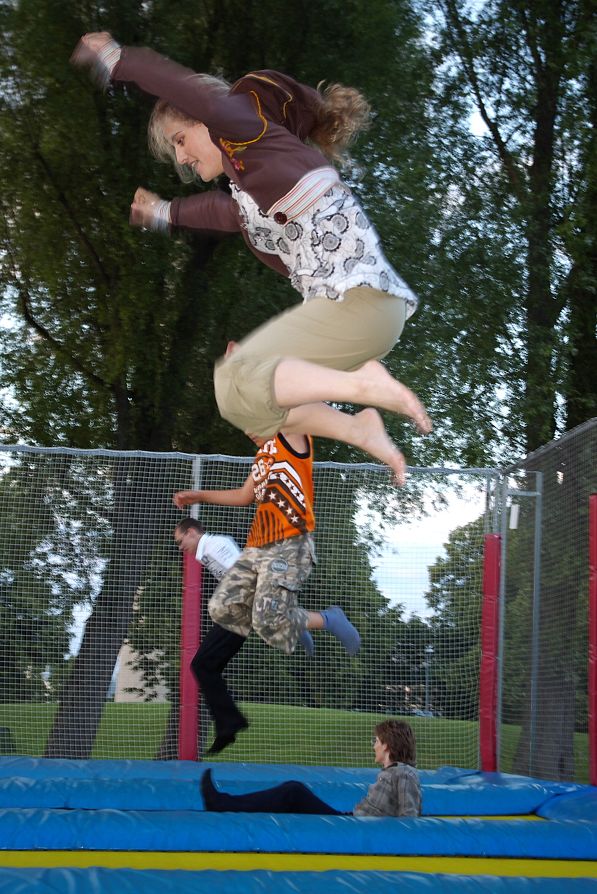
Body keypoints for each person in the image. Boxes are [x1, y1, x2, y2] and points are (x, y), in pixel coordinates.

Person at [71, 33, 433, 485]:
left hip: (360, 302)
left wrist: (116, 59)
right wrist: (163, 213)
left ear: (207, 121)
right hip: (356, 320)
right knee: (242, 398)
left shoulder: (244, 127)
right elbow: (221, 212)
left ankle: (365, 385)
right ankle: (359, 427)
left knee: (240, 376)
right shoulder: (251, 192)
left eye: (181, 140)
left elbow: (183, 88)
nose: (182, 157)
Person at [174, 430, 360, 753]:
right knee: (213, 634)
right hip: (261, 554)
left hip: (288, 544)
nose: (249, 432)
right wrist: (198, 496)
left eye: (252, 424)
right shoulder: (261, 459)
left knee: (258, 620)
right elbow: (244, 496)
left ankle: (328, 619)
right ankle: (292, 625)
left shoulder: (289, 439)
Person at [174, 516, 313, 754]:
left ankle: (230, 723)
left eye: (180, 541)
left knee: (201, 665)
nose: (180, 547)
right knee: (206, 667)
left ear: (192, 533)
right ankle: (229, 723)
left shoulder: (215, 546)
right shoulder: (208, 551)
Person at [201, 719, 421, 816]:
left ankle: (222, 803)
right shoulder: (393, 772)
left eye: (376, 741)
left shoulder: (403, 773)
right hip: (351, 822)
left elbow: (409, 817)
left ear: (387, 745)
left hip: (351, 826)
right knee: (292, 792)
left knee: (293, 791)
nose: (373, 746)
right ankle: (224, 803)